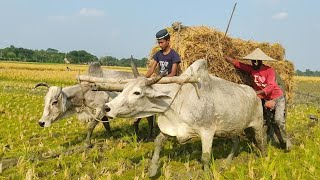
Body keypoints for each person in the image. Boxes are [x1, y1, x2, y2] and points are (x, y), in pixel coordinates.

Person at [224, 48, 292, 151]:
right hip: (264, 99)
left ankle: (285, 142)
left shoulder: (269, 70)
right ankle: (260, 142)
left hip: (277, 98)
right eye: (253, 61)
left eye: (257, 61)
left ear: (261, 61)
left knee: (278, 120)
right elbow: (237, 63)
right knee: (263, 121)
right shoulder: (251, 69)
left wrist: (256, 93)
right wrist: (223, 55)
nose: (255, 63)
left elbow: (271, 86)